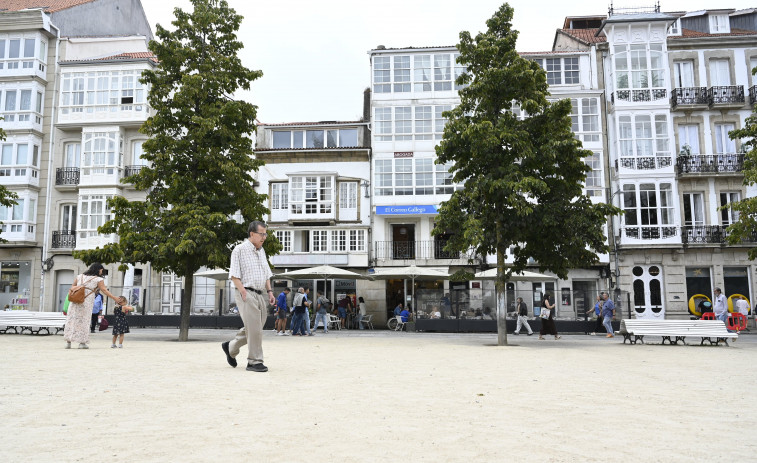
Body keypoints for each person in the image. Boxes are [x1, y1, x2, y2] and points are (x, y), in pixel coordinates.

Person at [221, 221, 276, 373]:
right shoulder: (239, 250)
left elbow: (266, 273)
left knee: (256, 328)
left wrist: (270, 291)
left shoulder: (261, 251)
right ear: (252, 234)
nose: (264, 237)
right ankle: (254, 361)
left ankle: (231, 347)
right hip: (245, 291)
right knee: (255, 329)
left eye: (265, 234)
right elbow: (233, 274)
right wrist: (242, 291)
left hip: (260, 293)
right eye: (261, 234)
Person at [64, 263, 120, 349]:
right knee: (84, 321)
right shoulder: (98, 279)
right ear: (98, 269)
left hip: (75, 300)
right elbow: (104, 290)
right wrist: (114, 297)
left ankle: (68, 342)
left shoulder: (80, 276)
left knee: (72, 319)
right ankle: (82, 343)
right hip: (86, 301)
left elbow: (73, 287)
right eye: (101, 270)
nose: (102, 272)